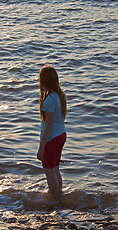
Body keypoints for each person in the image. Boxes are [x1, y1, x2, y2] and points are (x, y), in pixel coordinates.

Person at [37, 65, 67, 201]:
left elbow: (48, 126)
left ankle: (55, 199)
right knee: (55, 168)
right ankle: (58, 195)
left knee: (49, 170)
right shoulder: (61, 96)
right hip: (61, 134)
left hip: (52, 137)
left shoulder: (48, 101)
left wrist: (41, 148)